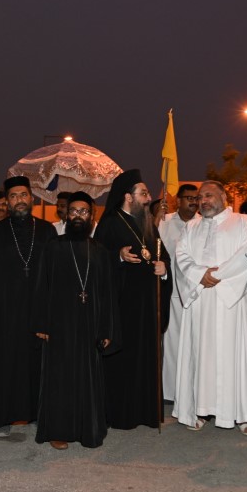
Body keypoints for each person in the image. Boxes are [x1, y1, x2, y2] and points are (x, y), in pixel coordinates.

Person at [173, 180, 247, 434]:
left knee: (237, 354)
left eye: (209, 195)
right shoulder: (191, 226)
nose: (203, 201)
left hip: (231, 301)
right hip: (200, 298)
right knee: (200, 354)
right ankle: (200, 410)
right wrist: (199, 275)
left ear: (224, 196)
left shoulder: (242, 221)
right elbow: (181, 257)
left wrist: (216, 276)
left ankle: (244, 415)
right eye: (200, 197)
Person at [33, 192, 117, 449]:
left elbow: (108, 293)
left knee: (87, 377)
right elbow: (41, 285)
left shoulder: (100, 250)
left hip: (90, 322)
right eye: (73, 211)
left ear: (92, 216)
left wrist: (106, 328)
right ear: (66, 215)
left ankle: (88, 429)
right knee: (60, 377)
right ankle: (58, 430)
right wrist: (42, 323)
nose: (78, 216)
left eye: (83, 211)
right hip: (59, 323)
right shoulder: (53, 246)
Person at [0, 176, 57, 436]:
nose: (19, 200)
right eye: (13, 196)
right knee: (6, 362)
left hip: (37, 307)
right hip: (4, 311)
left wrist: (53, 312)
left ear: (31, 198)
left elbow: (56, 273)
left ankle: (38, 413)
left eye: (23, 195)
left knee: (36, 362)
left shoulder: (47, 230)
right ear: (7, 202)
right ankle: (5, 416)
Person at [93, 169, 170, 430]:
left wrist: (164, 269)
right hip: (121, 306)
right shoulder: (109, 223)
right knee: (122, 361)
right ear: (128, 197)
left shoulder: (147, 223)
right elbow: (96, 261)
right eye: (144, 193)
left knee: (145, 358)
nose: (148, 198)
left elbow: (162, 256)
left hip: (147, 307)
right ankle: (120, 414)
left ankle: (144, 412)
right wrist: (118, 256)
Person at [158, 184, 199, 401]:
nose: (193, 202)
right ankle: (172, 393)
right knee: (172, 345)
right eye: (189, 198)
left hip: (197, 294)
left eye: (196, 198)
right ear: (178, 200)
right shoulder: (164, 221)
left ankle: (195, 392)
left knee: (195, 344)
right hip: (172, 293)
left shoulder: (204, 223)